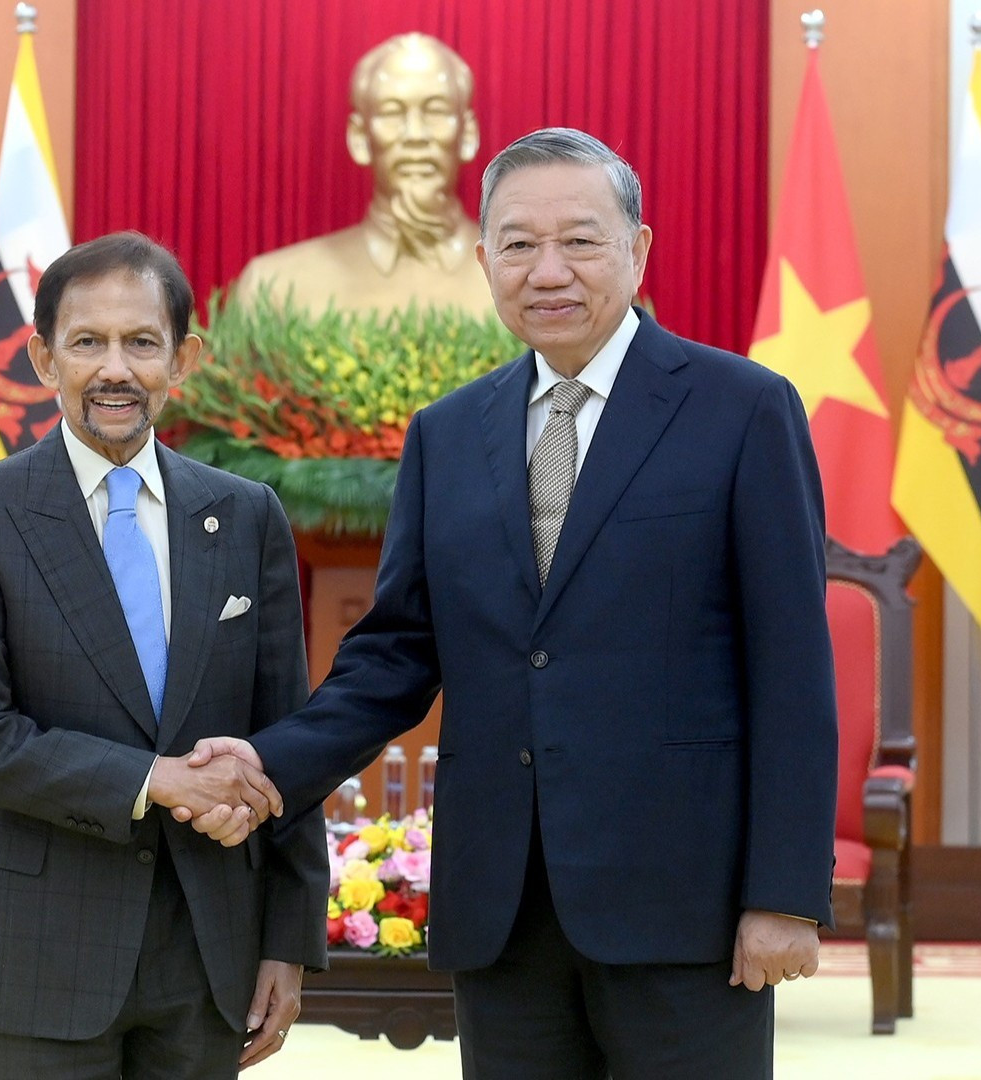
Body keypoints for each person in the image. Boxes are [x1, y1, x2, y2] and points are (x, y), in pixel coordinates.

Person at [188, 129, 839, 1078]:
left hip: (683, 903)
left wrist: (785, 894)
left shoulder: (741, 408)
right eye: (518, 244)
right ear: (484, 258)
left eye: (580, 240)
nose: (549, 271)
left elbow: (791, 665)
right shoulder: (448, 434)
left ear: (638, 250)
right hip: (502, 906)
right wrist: (267, 761)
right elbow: (397, 655)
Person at [0, 231, 327, 1078]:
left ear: (184, 358)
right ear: (41, 358)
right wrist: (157, 779)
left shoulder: (246, 516)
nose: (115, 369)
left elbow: (288, 742)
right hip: (36, 955)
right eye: (87, 342)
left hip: (210, 953)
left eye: (142, 342)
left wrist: (290, 941)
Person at [234, 32, 495, 315]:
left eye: (436, 110)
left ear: (468, 133)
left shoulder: (523, 281)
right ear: (359, 137)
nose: (415, 135)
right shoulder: (276, 287)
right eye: (392, 112)